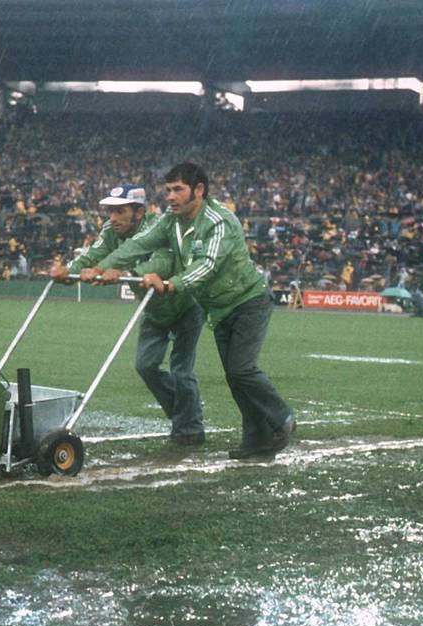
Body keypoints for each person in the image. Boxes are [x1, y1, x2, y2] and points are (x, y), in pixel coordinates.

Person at [83, 163, 295, 460]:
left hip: (248, 300)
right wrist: (102, 267)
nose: (170, 196)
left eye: (178, 190)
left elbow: (207, 265)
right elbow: (140, 243)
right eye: (168, 190)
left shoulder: (219, 221)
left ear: (199, 190)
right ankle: (257, 438)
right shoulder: (171, 221)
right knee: (234, 376)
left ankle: (282, 417)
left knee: (242, 369)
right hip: (218, 308)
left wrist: (172, 284)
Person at [51, 183, 207, 446]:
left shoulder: (159, 226)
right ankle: (184, 414)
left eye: (120, 211)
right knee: (145, 365)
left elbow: (163, 261)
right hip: (154, 309)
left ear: (139, 211)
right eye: (110, 211)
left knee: (182, 370)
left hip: (185, 304)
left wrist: (127, 273)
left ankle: (190, 428)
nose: (112, 218)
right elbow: (92, 255)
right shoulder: (110, 232)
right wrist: (69, 271)